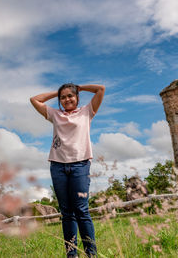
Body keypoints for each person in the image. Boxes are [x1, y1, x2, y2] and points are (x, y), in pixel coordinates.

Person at [30, 83, 105, 258]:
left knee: (82, 210)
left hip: (80, 165)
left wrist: (80, 87)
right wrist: (56, 92)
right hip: (58, 166)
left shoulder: (87, 112)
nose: (67, 99)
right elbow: (34, 100)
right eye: (62, 97)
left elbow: (100, 89)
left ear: (77, 97)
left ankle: (90, 254)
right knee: (67, 213)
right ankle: (72, 254)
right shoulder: (55, 114)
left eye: (70, 95)